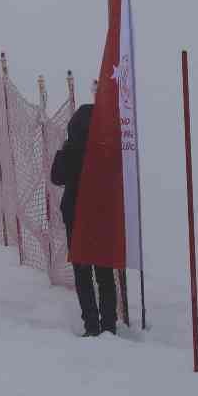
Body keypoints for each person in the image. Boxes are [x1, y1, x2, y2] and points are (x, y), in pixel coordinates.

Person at [49, 106, 117, 336]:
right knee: (105, 273)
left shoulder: (71, 150)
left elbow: (56, 177)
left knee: (82, 273)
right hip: (102, 216)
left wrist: (63, 150)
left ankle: (92, 325)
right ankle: (109, 325)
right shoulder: (105, 150)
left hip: (76, 218)